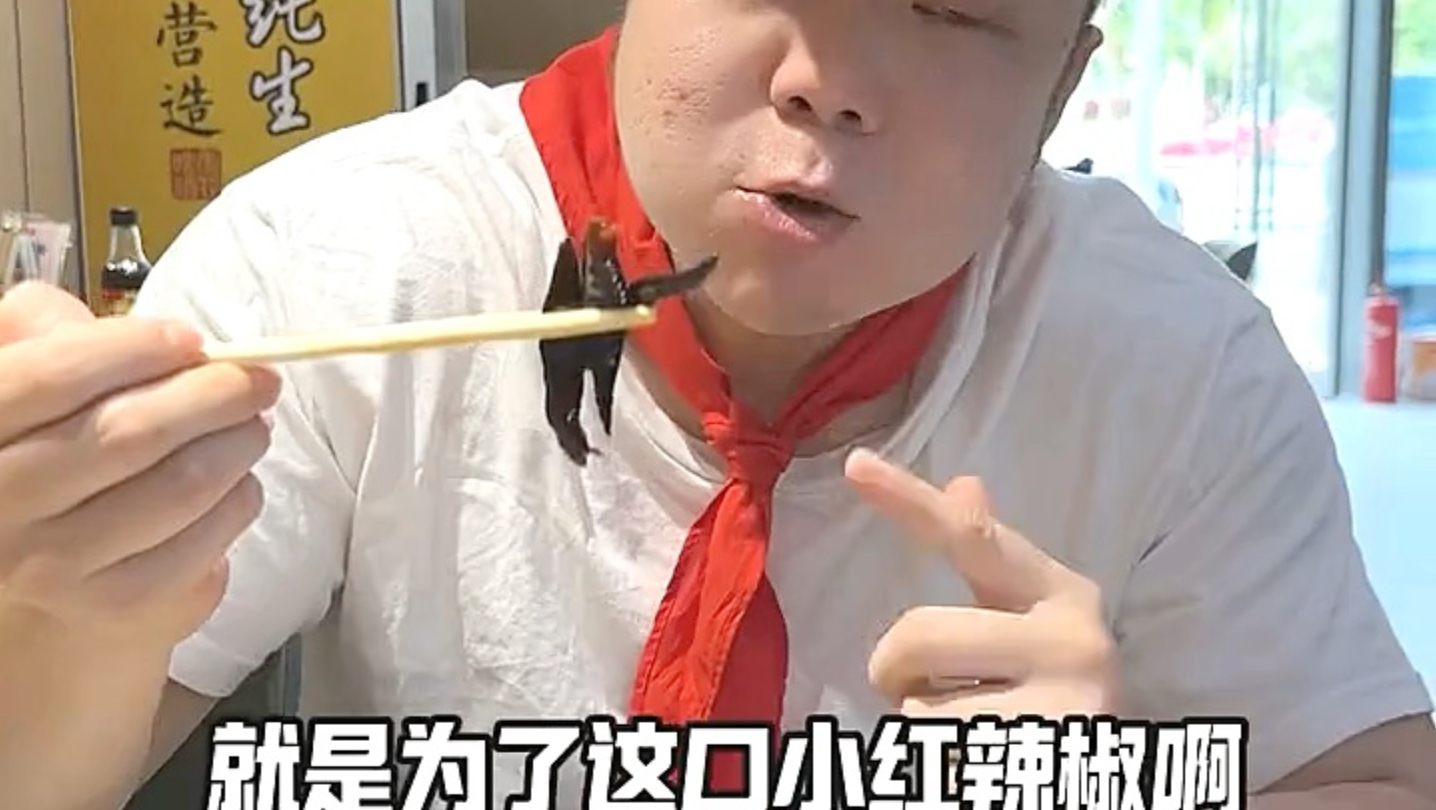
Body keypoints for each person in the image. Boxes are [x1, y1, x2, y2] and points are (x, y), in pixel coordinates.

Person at [2, 0, 1434, 807]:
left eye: (955, 6)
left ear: (1063, 79)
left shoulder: (1178, 362)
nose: (830, 84)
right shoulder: (335, 257)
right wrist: (71, 608)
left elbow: (1369, 777)